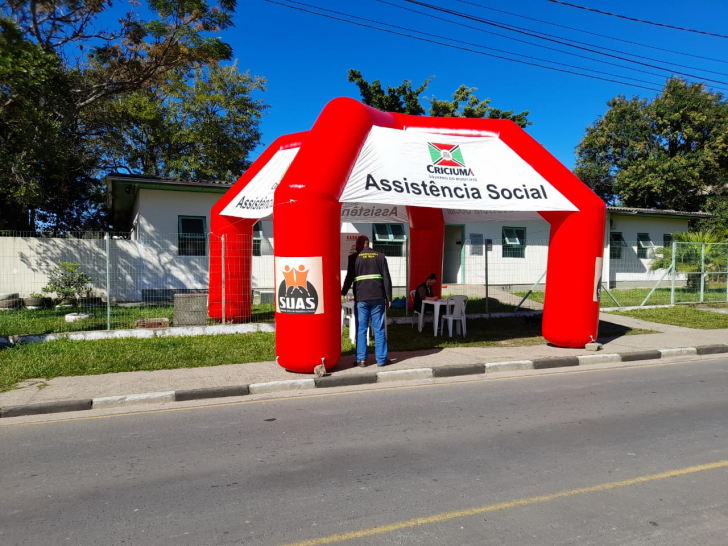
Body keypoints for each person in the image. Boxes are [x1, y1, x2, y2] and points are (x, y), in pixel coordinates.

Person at [341, 235, 392, 367]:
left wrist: (343, 291)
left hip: (361, 299)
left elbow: (349, 278)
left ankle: (361, 360)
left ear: (359, 245)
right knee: (379, 329)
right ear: (368, 244)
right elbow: (386, 278)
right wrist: (389, 298)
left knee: (362, 329)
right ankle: (381, 360)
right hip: (378, 298)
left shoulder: (353, 258)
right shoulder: (380, 256)